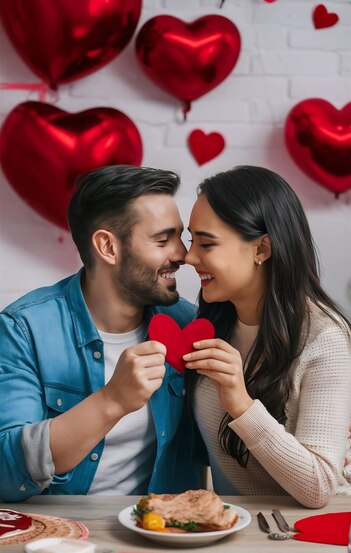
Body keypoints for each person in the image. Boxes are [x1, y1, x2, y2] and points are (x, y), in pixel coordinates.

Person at [0, 165, 205, 502]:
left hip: (164, 530)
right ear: (108, 247)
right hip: (62, 535)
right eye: (162, 239)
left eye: (179, 237)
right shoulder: (24, 330)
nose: (182, 254)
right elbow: (5, 472)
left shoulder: (186, 324)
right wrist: (112, 400)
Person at [184, 165, 351, 509]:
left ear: (262, 249)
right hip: (239, 531)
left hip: (305, 536)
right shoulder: (213, 324)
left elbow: (319, 488)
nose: (189, 257)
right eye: (191, 241)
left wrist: (241, 403)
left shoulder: (325, 339)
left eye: (206, 243)